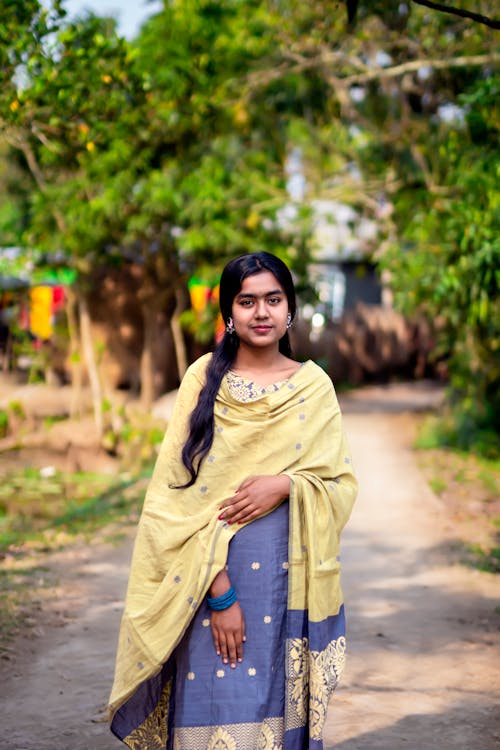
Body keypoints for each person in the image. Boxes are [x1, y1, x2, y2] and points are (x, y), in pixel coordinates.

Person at [109, 252, 357, 750]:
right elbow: (173, 500)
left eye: (273, 299)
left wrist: (286, 485)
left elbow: (341, 486)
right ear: (229, 312)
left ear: (289, 310)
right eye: (247, 301)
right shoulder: (203, 380)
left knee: (272, 711)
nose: (261, 312)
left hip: (287, 589)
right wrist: (219, 592)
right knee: (217, 710)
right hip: (204, 584)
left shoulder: (314, 387)